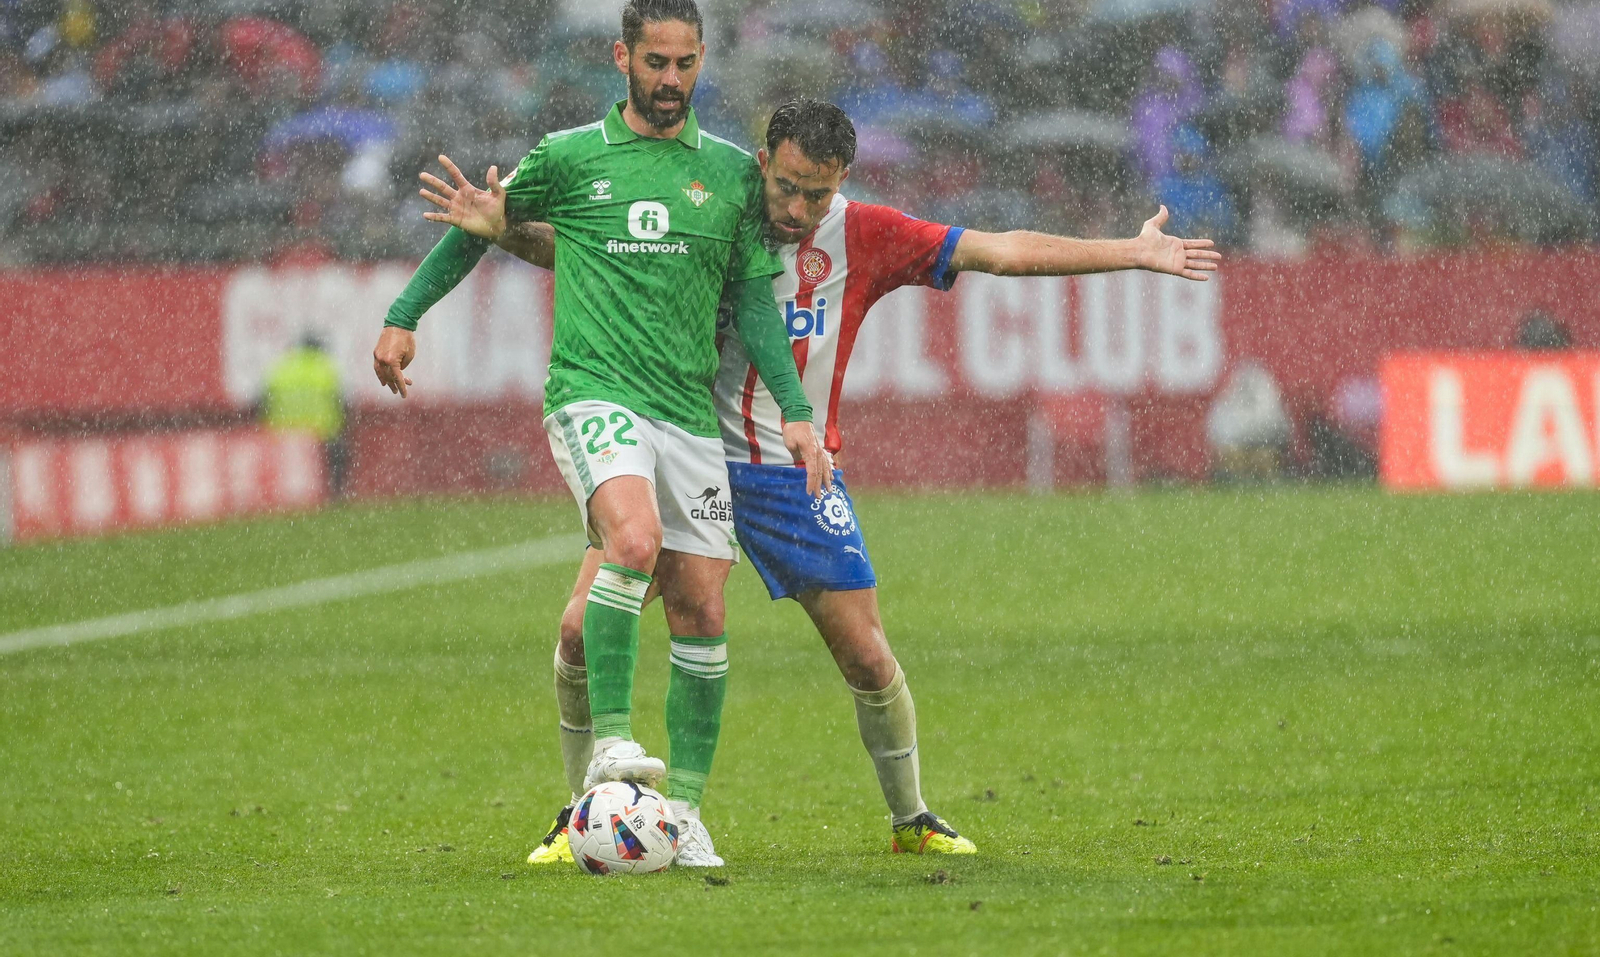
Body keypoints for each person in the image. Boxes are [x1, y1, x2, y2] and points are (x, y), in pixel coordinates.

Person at [437, 99, 1219, 862]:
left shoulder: (867, 235)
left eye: (821, 191)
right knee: (580, 629)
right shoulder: (708, 195)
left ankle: (910, 817)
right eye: (788, 185)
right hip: (678, 450)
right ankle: (581, 815)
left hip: (786, 472)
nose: (801, 206)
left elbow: (1001, 250)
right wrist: (501, 229)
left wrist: (1132, 251)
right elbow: (587, 246)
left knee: (867, 657)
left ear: (843, 179)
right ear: (764, 161)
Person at [372, 0, 830, 869]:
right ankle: (612, 753)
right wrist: (405, 313)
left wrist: (799, 416)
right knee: (631, 539)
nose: (670, 78)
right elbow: (481, 225)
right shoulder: (572, 157)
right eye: (654, 62)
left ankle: (685, 813)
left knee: (700, 604)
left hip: (688, 412)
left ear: (703, 59)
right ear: (621, 59)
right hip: (594, 392)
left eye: (685, 62)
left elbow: (753, 303)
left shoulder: (735, 173)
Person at [261, 333, 347, 499]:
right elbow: (340, 405)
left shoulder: (281, 368)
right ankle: (334, 496)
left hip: (281, 435)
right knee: (338, 458)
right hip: (320, 435)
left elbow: (262, 403)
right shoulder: (326, 369)